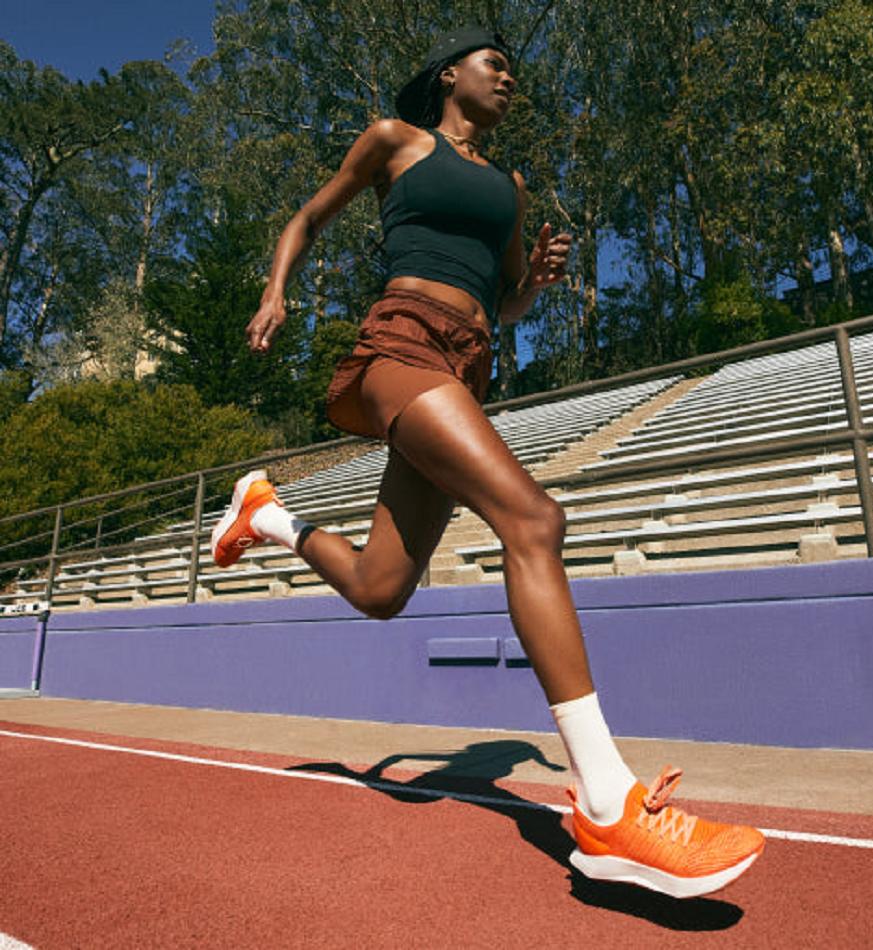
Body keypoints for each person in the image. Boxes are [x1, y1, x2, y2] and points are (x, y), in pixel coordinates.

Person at [211, 26, 764, 899]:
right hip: (401, 348)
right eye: (494, 66)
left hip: (463, 366)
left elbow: (502, 307)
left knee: (380, 591)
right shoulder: (396, 141)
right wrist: (277, 286)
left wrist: (535, 285)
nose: (509, 79)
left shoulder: (508, 187)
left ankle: (267, 515)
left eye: (511, 71)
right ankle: (610, 804)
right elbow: (309, 217)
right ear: (449, 76)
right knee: (536, 520)